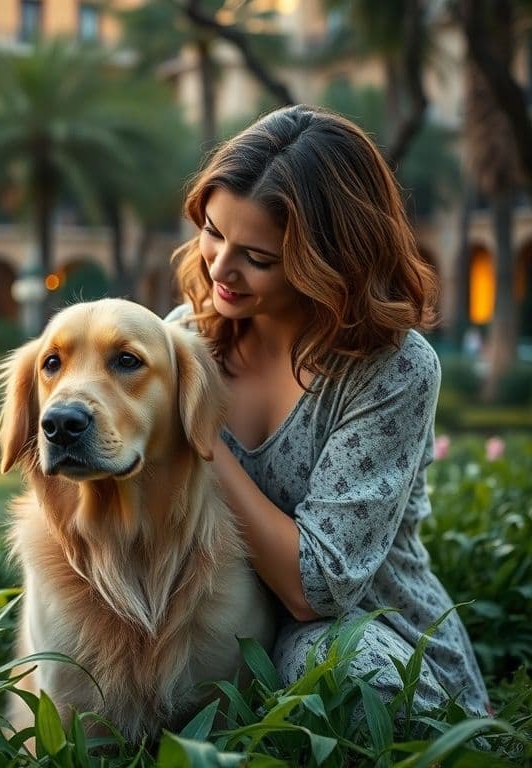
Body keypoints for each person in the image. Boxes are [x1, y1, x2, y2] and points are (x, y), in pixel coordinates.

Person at [168, 104, 490, 716]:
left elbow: (316, 590)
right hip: (220, 629)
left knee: (331, 664)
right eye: (212, 230)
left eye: (258, 257)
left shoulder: (391, 368)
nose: (220, 267)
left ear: (330, 259)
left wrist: (197, 434)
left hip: (366, 640)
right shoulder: (184, 340)